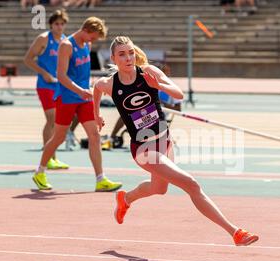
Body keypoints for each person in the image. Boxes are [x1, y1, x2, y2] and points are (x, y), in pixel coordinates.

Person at [93, 36, 259, 246]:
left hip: (164, 140)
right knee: (191, 184)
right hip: (144, 149)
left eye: (131, 52)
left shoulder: (149, 72)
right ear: (113, 58)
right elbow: (96, 89)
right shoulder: (109, 83)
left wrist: (159, 85)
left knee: (159, 189)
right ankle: (235, 232)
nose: (128, 58)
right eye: (122, 54)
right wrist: (96, 115)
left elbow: (178, 94)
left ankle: (125, 199)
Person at [32, 17, 122, 192]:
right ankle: (40, 172)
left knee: (94, 135)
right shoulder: (66, 46)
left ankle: (100, 179)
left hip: (84, 98)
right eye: (93, 37)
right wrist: (79, 91)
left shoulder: (87, 46)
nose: (93, 41)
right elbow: (61, 75)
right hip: (67, 97)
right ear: (86, 30)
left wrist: (90, 94)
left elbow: (83, 75)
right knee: (58, 137)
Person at [24, 9, 70, 170]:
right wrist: (44, 73)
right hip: (45, 85)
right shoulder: (44, 39)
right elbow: (27, 59)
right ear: (51, 24)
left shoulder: (65, 41)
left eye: (62, 24)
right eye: (56, 24)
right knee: (52, 120)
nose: (59, 27)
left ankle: (53, 158)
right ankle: (48, 157)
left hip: (60, 85)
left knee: (58, 122)